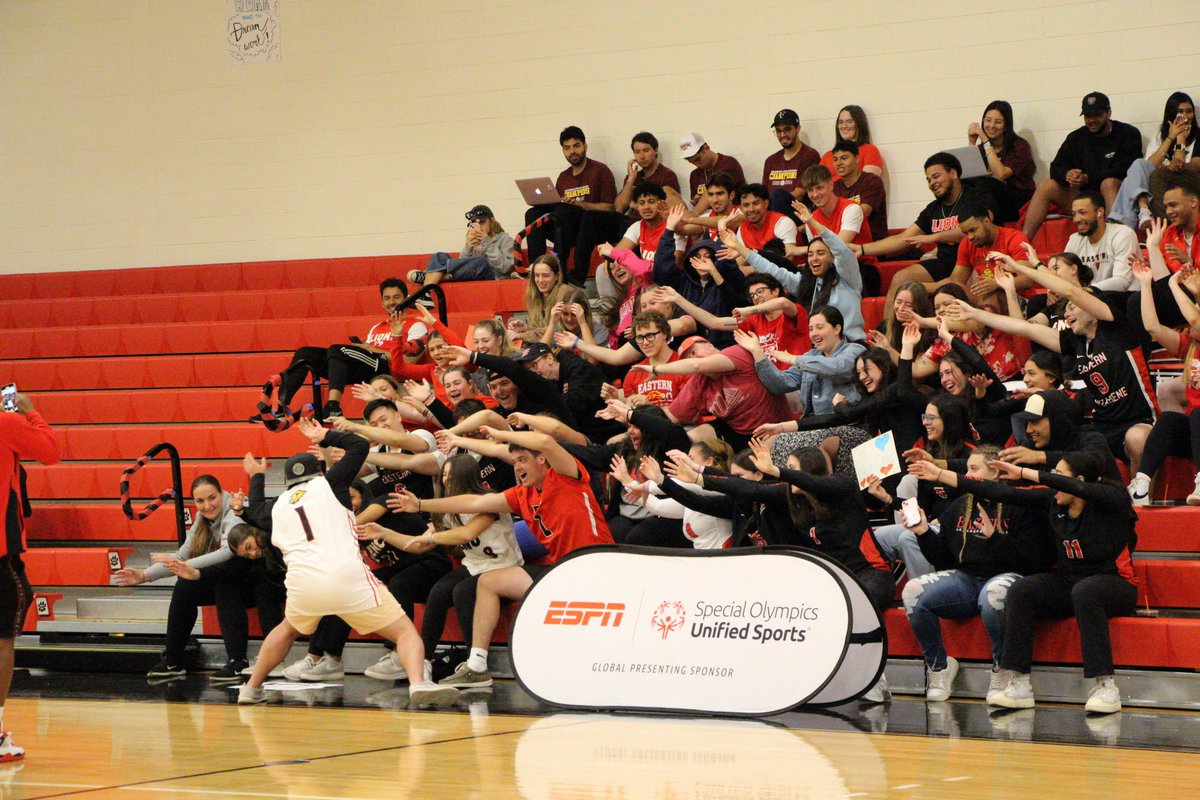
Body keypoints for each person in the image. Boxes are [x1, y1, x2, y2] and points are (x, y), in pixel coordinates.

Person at [238, 419, 457, 705]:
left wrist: (256, 476)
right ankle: (418, 683)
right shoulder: (330, 484)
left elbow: (253, 509)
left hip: (304, 585)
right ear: (318, 472)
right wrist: (324, 435)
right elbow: (359, 445)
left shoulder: (277, 506)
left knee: (287, 630)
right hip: (345, 576)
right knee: (404, 631)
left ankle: (252, 688)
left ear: (288, 481)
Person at [388, 427, 613, 689]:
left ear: (541, 459)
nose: (516, 468)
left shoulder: (566, 476)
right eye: (514, 462)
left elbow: (544, 439)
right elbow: (473, 503)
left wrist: (496, 431)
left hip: (595, 564)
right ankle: (477, 666)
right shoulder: (521, 495)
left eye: (522, 460)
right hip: (559, 571)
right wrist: (420, 505)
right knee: (487, 583)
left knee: (466, 586)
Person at [956, 453, 1139, 715]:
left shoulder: (1111, 499)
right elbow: (1000, 492)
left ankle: (1106, 686)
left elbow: (1080, 488)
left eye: (1059, 476)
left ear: (1078, 481)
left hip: (1116, 583)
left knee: (1085, 591)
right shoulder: (1053, 502)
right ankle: (1019, 683)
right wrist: (941, 475)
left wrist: (1023, 473)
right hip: (1070, 582)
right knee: (1022, 590)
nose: (1053, 484)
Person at [956, 254, 1158, 473]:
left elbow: (1071, 291)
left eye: (1074, 307)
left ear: (1094, 309)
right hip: (1102, 425)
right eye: (1067, 308)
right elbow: (1023, 328)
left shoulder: (1116, 329)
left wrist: (1020, 267)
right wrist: (974, 312)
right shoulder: (1075, 342)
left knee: (1136, 438)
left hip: (1138, 419)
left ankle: (1141, 497)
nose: (1067, 312)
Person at [902, 446, 1054, 703]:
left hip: (1010, 576)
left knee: (993, 594)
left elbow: (1035, 561)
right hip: (967, 579)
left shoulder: (1022, 505)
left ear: (995, 472)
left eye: (974, 469)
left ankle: (1002, 669)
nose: (967, 475)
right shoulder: (960, 506)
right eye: (967, 470)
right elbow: (944, 559)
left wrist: (996, 539)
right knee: (913, 592)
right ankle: (939, 667)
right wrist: (924, 532)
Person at [357, 454, 522, 684]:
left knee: (462, 592)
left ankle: (474, 663)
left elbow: (467, 534)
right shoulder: (446, 511)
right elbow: (415, 544)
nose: (445, 480)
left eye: (450, 475)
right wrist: (383, 533)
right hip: (474, 565)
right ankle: (422, 662)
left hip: (503, 567)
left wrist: (433, 536)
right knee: (438, 593)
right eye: (443, 475)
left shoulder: (488, 501)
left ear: (466, 475)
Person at [116, 475, 266, 682]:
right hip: (234, 577)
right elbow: (181, 555)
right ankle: (173, 661)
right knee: (185, 587)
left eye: (211, 498)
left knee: (224, 581)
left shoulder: (234, 510)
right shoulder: (202, 519)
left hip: (260, 577)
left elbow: (227, 552)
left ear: (222, 494)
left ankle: (238, 662)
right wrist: (144, 575)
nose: (206, 505)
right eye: (200, 501)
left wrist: (188, 568)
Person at [258, 278, 409, 424]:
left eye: (396, 297)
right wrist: (363, 347)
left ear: (406, 298)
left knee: (337, 350)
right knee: (306, 353)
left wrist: (370, 349)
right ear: (382, 303)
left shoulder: (414, 324)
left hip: (384, 371)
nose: (391, 302)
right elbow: (367, 352)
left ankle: (333, 407)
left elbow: (408, 362)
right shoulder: (378, 327)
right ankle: (279, 408)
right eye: (387, 298)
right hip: (366, 367)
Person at [0, 392, 59, 761]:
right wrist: (30, 412)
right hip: (1, 553)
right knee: (3, 638)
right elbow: (50, 450)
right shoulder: (5, 423)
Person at [739, 307, 869, 474]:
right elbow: (780, 384)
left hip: (844, 424)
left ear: (837, 329)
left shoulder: (855, 351)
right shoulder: (810, 356)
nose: (814, 333)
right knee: (766, 444)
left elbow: (837, 368)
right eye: (810, 329)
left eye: (819, 327)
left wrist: (794, 359)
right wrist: (758, 352)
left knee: (779, 443)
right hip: (811, 425)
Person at [720, 206, 865, 343]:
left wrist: (812, 222)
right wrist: (740, 247)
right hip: (818, 350)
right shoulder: (806, 282)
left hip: (851, 346)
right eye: (810, 254)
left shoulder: (847, 277)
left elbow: (840, 248)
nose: (813, 258)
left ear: (833, 257)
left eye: (820, 253)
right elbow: (772, 269)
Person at [860, 153, 996, 298]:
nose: (931, 183)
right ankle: (890, 321)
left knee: (972, 282)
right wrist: (861, 249)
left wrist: (935, 237)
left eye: (936, 176)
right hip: (944, 263)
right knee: (901, 280)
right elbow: (903, 238)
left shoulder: (977, 197)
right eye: (928, 179)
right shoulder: (933, 209)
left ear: (953, 173)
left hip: (976, 261)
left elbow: (978, 228)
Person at [1125, 257, 1200, 505]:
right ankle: (1142, 484)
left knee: (1198, 414)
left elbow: (1197, 320)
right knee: (1169, 418)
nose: (1191, 323)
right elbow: (1153, 328)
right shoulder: (1190, 347)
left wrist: (1175, 287)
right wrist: (1146, 285)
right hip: (1196, 434)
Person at [1022, 92, 1143, 241]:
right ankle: (1022, 243)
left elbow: (1126, 170)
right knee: (1046, 185)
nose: (1092, 120)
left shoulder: (1128, 134)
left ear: (1108, 113)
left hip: (1115, 198)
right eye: (1087, 116)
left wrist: (1087, 178)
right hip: (1084, 198)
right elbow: (1056, 167)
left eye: (1097, 115)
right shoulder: (1076, 138)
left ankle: (1113, 241)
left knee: (1109, 183)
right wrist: (1068, 175)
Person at [645, 335, 795, 452]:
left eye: (694, 352)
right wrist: (633, 415)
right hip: (737, 433)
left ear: (710, 346)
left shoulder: (735, 353)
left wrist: (656, 369)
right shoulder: (698, 381)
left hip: (774, 427)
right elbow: (672, 416)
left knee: (758, 458)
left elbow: (696, 365)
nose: (692, 359)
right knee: (688, 438)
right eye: (687, 359)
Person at [523, 126, 623, 286]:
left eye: (576, 146)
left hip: (593, 227)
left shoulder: (600, 170)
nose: (572, 151)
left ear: (585, 147)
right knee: (533, 214)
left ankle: (558, 264)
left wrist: (580, 204)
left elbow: (610, 208)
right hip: (567, 227)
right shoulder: (563, 177)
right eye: (567, 148)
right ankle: (537, 267)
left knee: (564, 210)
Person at [1109, 92, 1199, 230]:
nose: (1186, 116)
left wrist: (1180, 139)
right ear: (1171, 114)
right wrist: (1170, 137)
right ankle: (1143, 209)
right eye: (1180, 112)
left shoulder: (1198, 137)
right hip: (1159, 186)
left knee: (1140, 179)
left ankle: (1122, 226)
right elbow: (1148, 165)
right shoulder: (1160, 136)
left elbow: (1181, 169)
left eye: (1189, 111)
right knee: (1138, 164)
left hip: (1184, 185)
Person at [799, 164, 878, 295]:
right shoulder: (811, 218)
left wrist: (799, 250)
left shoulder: (851, 209)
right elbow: (818, 254)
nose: (815, 194)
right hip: (829, 268)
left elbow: (839, 248)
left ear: (831, 184)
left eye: (819, 188)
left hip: (861, 267)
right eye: (810, 190)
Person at [966, 100, 1035, 223]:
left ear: (1006, 125)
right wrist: (972, 143)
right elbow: (971, 176)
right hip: (991, 199)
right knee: (961, 183)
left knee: (985, 182)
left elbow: (1001, 174)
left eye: (998, 122)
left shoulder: (1019, 146)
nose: (991, 126)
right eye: (988, 120)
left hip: (1017, 200)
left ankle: (984, 224)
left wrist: (985, 142)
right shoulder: (982, 148)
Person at [409, 205, 515, 285]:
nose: (479, 226)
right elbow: (462, 265)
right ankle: (425, 294)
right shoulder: (474, 240)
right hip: (471, 279)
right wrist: (468, 247)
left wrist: (487, 242)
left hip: (494, 277)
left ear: (491, 221)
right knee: (440, 256)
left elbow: (506, 268)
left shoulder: (505, 239)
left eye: (481, 222)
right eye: (474, 223)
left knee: (481, 260)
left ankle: (430, 275)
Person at [1064, 191, 1138, 292]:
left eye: (1082, 213)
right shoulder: (1074, 240)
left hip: (1123, 296)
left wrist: (1087, 291)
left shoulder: (1123, 234)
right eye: (1074, 214)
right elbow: (1064, 273)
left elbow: (1122, 281)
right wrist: (1053, 291)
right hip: (1088, 295)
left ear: (1100, 212)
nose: (1076, 219)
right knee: (1038, 301)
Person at [762, 108, 821, 214]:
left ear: (798, 129)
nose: (782, 135)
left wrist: (774, 201)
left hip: (798, 212)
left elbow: (799, 194)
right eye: (778, 131)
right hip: (772, 213)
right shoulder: (771, 161)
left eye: (787, 129)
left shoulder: (809, 156)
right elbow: (763, 195)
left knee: (777, 195)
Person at [831, 140, 888, 242]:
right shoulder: (833, 187)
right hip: (843, 242)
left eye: (844, 158)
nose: (839, 163)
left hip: (871, 244)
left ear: (857, 159)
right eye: (835, 159)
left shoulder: (871, 181)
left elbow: (862, 213)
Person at [614, 131, 681, 216]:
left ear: (655, 150)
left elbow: (668, 209)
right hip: (633, 223)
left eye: (646, 150)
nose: (641, 156)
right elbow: (619, 209)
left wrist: (635, 206)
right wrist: (630, 180)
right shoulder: (633, 177)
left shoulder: (667, 175)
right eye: (637, 152)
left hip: (656, 223)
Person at [679, 132, 746, 216]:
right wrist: (697, 202)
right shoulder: (695, 174)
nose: (697, 165)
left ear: (706, 148)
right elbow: (696, 202)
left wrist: (695, 211)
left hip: (731, 212)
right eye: (692, 162)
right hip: (708, 214)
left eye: (698, 159)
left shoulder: (728, 163)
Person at [613, 183, 682, 260]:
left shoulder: (675, 228)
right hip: (643, 270)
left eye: (651, 202)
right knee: (603, 267)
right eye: (641, 203)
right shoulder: (637, 226)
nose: (646, 207)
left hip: (667, 272)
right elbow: (616, 254)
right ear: (637, 207)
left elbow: (672, 265)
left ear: (662, 203)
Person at [510, 254, 564, 346]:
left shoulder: (564, 293)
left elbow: (556, 331)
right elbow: (541, 330)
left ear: (557, 276)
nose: (540, 280)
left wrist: (521, 335)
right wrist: (525, 328)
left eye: (545, 276)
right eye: (537, 275)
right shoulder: (534, 296)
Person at [820, 105, 885, 177]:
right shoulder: (827, 156)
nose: (844, 126)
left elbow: (868, 184)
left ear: (859, 124)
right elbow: (818, 185)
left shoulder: (870, 151)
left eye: (849, 122)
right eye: (840, 122)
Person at [734, 183, 798, 251]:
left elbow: (787, 258)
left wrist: (750, 255)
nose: (751, 209)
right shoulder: (743, 228)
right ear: (741, 209)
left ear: (766, 204)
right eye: (746, 205)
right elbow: (739, 259)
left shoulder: (783, 223)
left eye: (756, 203)